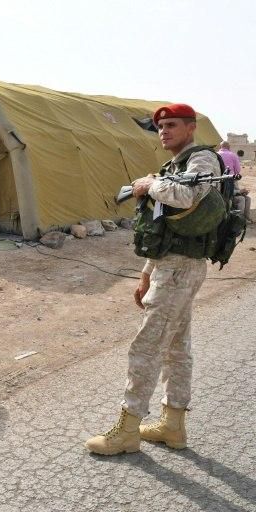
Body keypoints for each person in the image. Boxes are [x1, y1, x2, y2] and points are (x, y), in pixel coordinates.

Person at [85, 103, 224, 455]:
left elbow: (190, 195)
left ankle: (127, 429)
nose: (164, 131)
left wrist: (149, 184)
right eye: (160, 127)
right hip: (170, 265)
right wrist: (147, 274)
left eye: (173, 125)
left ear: (191, 128)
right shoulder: (174, 166)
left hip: (181, 269)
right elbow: (163, 224)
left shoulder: (202, 161)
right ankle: (172, 426)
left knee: (146, 347)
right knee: (176, 348)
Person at [219, 142, 251, 222]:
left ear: (220, 147)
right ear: (229, 147)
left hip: (219, 180)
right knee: (241, 199)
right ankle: (239, 220)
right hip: (230, 181)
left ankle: (245, 219)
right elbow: (238, 170)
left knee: (247, 198)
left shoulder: (216, 155)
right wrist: (239, 191)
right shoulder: (232, 155)